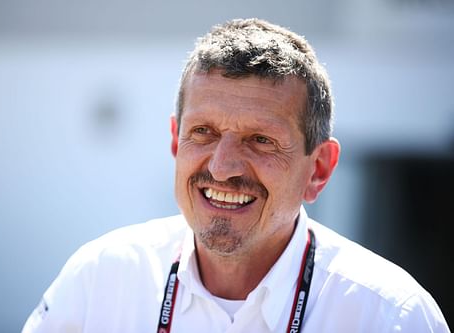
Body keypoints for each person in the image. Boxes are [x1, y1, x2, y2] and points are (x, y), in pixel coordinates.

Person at [22, 18, 450, 333]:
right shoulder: (100, 280)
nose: (222, 166)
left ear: (318, 170)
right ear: (176, 141)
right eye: (203, 132)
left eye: (260, 140)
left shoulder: (392, 316)